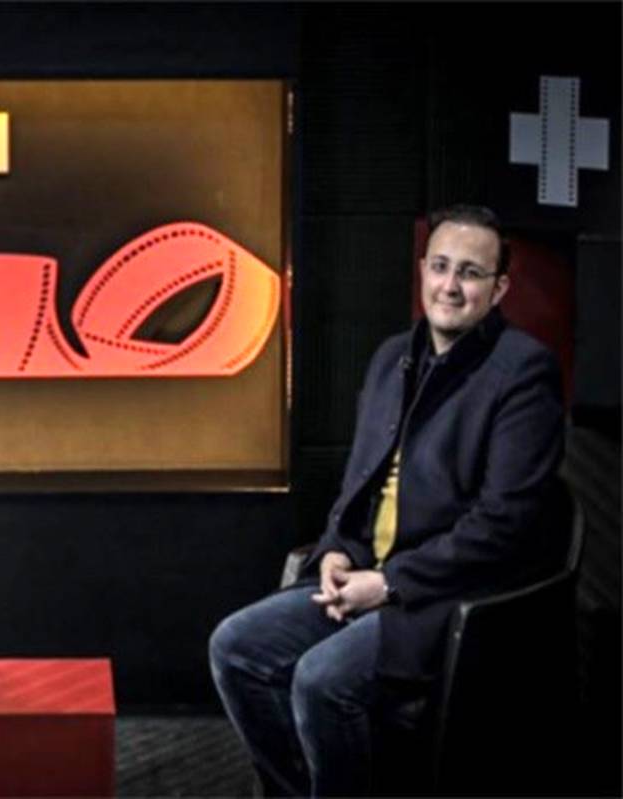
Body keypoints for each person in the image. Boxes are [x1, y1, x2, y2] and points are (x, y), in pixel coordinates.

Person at [208, 205, 567, 796]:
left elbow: (505, 524)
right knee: (236, 647)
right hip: (366, 579)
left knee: (320, 680)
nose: (450, 286)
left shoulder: (524, 372)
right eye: (441, 266)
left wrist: (389, 583)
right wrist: (336, 550)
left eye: (471, 273)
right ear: (422, 270)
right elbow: (360, 484)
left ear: (500, 288)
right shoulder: (391, 358)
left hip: (440, 597)